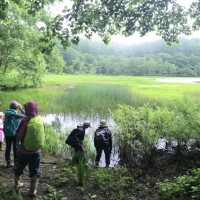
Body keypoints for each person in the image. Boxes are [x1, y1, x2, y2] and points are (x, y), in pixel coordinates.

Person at [14, 101, 45, 197]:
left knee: (19, 166)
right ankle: (32, 191)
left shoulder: (25, 121)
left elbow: (18, 136)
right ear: (36, 109)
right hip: (36, 152)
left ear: (27, 110)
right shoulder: (40, 120)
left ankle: (17, 183)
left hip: (24, 151)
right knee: (35, 170)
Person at [3, 100, 25, 167]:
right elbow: (24, 115)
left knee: (10, 147)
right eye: (17, 105)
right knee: (14, 148)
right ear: (15, 106)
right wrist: (20, 108)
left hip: (9, 133)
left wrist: (20, 108)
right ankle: (14, 162)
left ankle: (10, 162)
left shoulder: (9, 112)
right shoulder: (12, 113)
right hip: (13, 133)